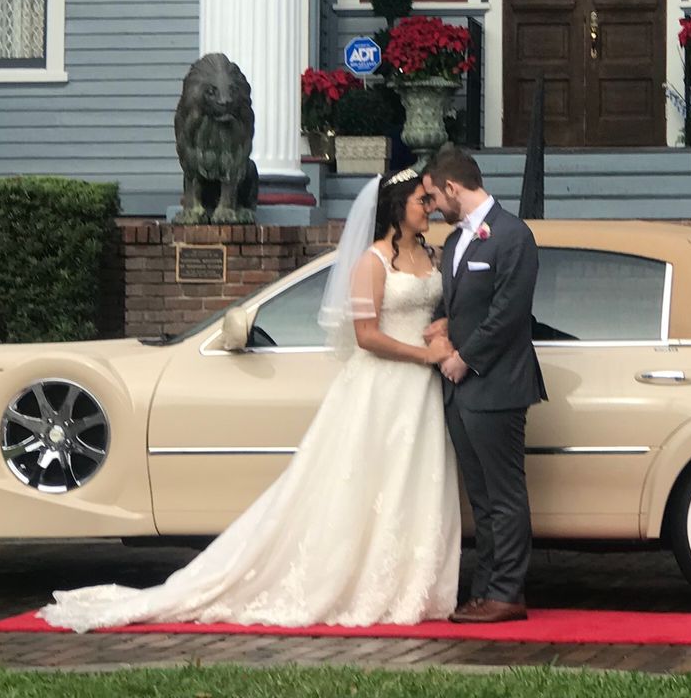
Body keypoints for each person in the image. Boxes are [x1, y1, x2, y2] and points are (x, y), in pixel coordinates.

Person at [35, 167, 460, 631]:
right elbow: (366, 335)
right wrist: (423, 355)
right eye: (423, 201)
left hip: (420, 392)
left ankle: (408, 584)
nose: (431, 208)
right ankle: (359, 582)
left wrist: (442, 332)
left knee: (412, 483)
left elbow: (440, 309)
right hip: (382, 388)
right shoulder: (372, 262)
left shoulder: (433, 256)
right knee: (364, 486)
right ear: (397, 208)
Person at [422, 145, 546, 624]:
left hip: (496, 386)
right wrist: (439, 326)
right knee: (481, 498)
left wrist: (464, 361)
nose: (432, 206)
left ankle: (508, 592)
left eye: (434, 196)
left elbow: (509, 314)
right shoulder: (456, 243)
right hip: (460, 391)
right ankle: (484, 588)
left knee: (505, 494)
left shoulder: (513, 236)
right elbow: (459, 305)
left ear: (453, 187)